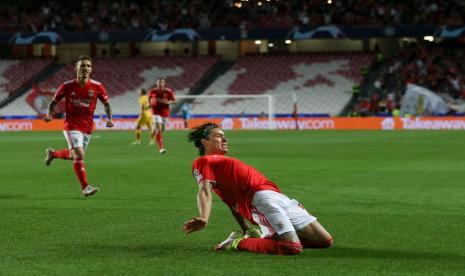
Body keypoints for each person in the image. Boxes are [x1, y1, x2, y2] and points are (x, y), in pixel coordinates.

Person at [183, 122, 333, 255]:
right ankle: (237, 243)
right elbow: (204, 190)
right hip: (260, 201)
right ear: (204, 142)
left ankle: (267, 237)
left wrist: (246, 228)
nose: (225, 139)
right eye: (219, 136)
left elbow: (233, 204)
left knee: (325, 241)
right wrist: (204, 217)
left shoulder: (224, 165)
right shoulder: (202, 161)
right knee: (291, 247)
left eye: (225, 136)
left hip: (279, 198)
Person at [43, 55, 113, 197]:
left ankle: (53, 154)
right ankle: (85, 187)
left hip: (87, 127)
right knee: (80, 154)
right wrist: (49, 114)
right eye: (82, 66)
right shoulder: (67, 86)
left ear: (91, 69)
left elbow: (106, 104)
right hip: (71, 125)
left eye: (88, 66)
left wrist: (109, 119)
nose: (85, 68)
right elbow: (53, 102)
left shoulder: (97, 86)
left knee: (74, 155)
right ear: (76, 69)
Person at [148, 78, 176, 154]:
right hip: (155, 112)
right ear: (156, 83)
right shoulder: (152, 91)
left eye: (161, 82)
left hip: (165, 113)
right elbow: (149, 99)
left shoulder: (168, 91)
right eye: (159, 82)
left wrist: (168, 102)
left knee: (160, 129)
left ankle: (152, 138)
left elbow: (174, 101)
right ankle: (161, 148)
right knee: (159, 129)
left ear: (164, 83)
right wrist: (150, 104)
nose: (160, 84)